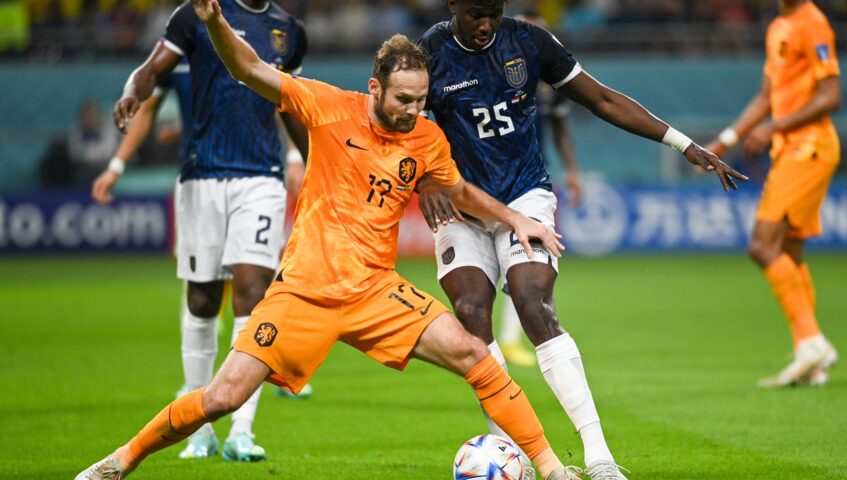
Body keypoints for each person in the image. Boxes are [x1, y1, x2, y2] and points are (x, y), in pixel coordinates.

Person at [75, 3, 583, 479]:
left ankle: (553, 470)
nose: (412, 111)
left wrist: (515, 219)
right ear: (375, 89)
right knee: (222, 397)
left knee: (475, 355)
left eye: (422, 101)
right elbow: (250, 69)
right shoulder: (326, 106)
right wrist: (214, 24)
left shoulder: (427, 140)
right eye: (403, 100)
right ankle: (120, 461)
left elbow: (459, 190)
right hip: (303, 293)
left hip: (376, 293)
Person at [415, 1, 746, 478]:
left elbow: (603, 99)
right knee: (470, 315)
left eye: (493, 11)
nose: (485, 23)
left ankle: (600, 458)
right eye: (474, 14)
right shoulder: (428, 53)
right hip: (460, 206)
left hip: (524, 198)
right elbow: (404, 126)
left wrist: (685, 144)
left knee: (533, 303)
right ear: (452, 6)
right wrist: (426, 179)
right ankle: (512, 454)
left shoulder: (528, 42)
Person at [109, 0, 308, 462]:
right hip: (202, 175)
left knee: (252, 293)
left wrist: (311, 162)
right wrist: (133, 92)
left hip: (261, 177)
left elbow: (293, 102)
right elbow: (153, 68)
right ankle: (197, 427)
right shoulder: (195, 15)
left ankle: (242, 428)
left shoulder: (288, 30)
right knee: (201, 297)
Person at [91, 59, 313, 404]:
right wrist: (117, 166)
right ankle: (197, 385)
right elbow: (151, 108)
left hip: (257, 176)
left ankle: (263, 373)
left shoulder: (255, 42)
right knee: (201, 288)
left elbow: (282, 102)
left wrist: (296, 158)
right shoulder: (180, 45)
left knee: (258, 280)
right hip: (201, 180)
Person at [705, 0, 841, 388]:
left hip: (809, 147)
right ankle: (811, 357)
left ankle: (812, 343)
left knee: (762, 246)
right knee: (791, 252)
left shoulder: (813, 23)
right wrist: (725, 141)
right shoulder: (779, 25)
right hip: (792, 149)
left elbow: (831, 95)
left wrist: (776, 126)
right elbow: (766, 96)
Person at [497, 10, 584, 368]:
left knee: (529, 260)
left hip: (534, 180)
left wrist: (573, 171)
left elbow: (561, 128)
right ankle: (504, 339)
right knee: (512, 262)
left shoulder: (549, 83)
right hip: (491, 178)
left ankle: (512, 337)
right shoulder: (496, 72)